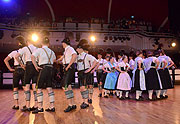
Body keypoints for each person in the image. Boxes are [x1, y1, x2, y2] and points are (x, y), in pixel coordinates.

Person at [31, 37, 56, 113]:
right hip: (51, 69)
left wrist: (36, 66)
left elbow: (32, 56)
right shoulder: (52, 51)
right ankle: (52, 107)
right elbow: (54, 60)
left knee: (38, 88)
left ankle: (40, 107)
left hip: (43, 68)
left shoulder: (39, 50)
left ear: (41, 43)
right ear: (48, 44)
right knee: (49, 88)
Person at [15, 36, 38, 112]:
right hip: (35, 67)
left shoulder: (25, 48)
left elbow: (16, 56)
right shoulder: (36, 48)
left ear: (27, 41)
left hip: (28, 67)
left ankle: (27, 106)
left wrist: (21, 64)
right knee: (35, 87)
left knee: (27, 86)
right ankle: (36, 105)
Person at [4, 36, 26, 110]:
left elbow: (5, 60)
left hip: (16, 69)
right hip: (24, 69)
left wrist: (10, 68)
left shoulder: (14, 52)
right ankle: (27, 104)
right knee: (25, 87)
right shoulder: (26, 51)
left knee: (15, 88)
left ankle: (16, 105)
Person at [57, 38, 77, 112]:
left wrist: (68, 66)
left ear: (64, 43)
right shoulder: (66, 50)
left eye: (62, 43)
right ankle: (73, 104)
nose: (62, 45)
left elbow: (75, 55)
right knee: (68, 86)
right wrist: (58, 60)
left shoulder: (70, 48)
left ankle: (70, 105)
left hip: (69, 68)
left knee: (64, 86)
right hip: (68, 68)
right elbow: (64, 58)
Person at [76, 40, 97, 108]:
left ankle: (86, 101)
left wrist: (90, 69)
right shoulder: (78, 56)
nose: (76, 50)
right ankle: (84, 100)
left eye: (77, 48)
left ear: (81, 49)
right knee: (81, 88)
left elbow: (95, 61)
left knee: (85, 87)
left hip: (85, 72)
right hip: (80, 72)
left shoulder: (87, 55)